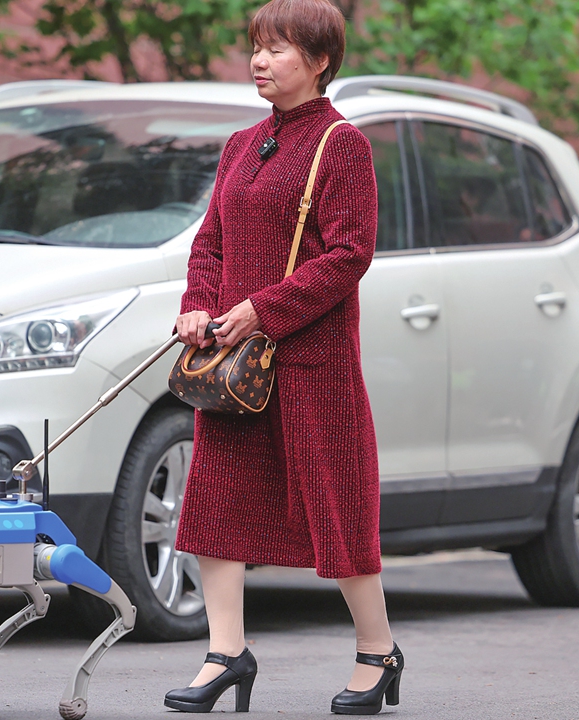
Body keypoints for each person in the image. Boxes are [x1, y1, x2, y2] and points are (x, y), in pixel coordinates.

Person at [166, 0, 402, 714]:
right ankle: (225, 653)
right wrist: (199, 305)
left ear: (321, 60)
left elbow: (349, 255)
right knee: (215, 503)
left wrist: (263, 309)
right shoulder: (241, 143)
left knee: (337, 510)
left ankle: (377, 651)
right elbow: (210, 242)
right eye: (256, 48)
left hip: (310, 368)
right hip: (234, 368)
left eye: (278, 49)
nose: (260, 61)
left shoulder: (343, 146)